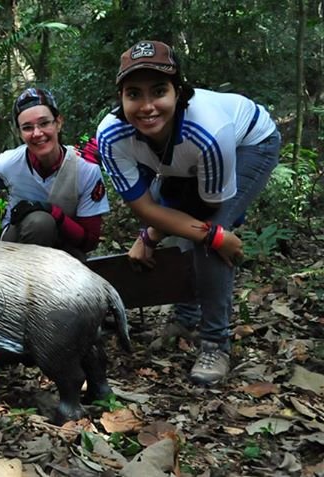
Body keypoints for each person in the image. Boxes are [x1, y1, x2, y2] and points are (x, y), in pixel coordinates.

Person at [96, 40, 281, 384]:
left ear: (179, 92)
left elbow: (204, 212)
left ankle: (215, 342)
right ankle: (185, 316)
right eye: (134, 93)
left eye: (159, 91)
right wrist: (150, 231)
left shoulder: (209, 131)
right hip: (178, 163)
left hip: (248, 144)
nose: (147, 106)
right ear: (120, 99)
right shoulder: (111, 135)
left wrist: (214, 234)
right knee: (197, 229)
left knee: (208, 238)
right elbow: (147, 207)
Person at [0, 88, 109, 260]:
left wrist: (54, 212)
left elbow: (89, 242)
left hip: (63, 244)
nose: (37, 133)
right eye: (27, 127)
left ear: (58, 123)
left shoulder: (85, 169)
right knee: (41, 223)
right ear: (19, 133)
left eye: (44, 123)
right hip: (15, 243)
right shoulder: (8, 163)